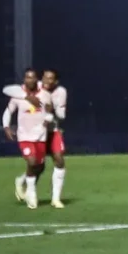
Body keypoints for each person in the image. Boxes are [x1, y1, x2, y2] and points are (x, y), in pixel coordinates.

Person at [3, 69, 49, 209]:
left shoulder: (44, 91)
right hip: (24, 136)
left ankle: (22, 180)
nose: (30, 80)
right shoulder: (17, 95)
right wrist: (6, 127)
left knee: (40, 167)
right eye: (27, 78)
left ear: (37, 79)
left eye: (33, 77)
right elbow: (8, 109)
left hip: (41, 135)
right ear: (24, 79)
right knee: (32, 161)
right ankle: (31, 193)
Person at [41, 70, 69, 208]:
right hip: (37, 131)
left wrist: (52, 109)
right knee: (36, 165)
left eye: (50, 78)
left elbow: (62, 116)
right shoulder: (36, 89)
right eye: (45, 77)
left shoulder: (61, 92)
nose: (47, 80)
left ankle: (55, 199)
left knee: (59, 160)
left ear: (56, 81)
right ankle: (22, 182)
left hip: (53, 131)